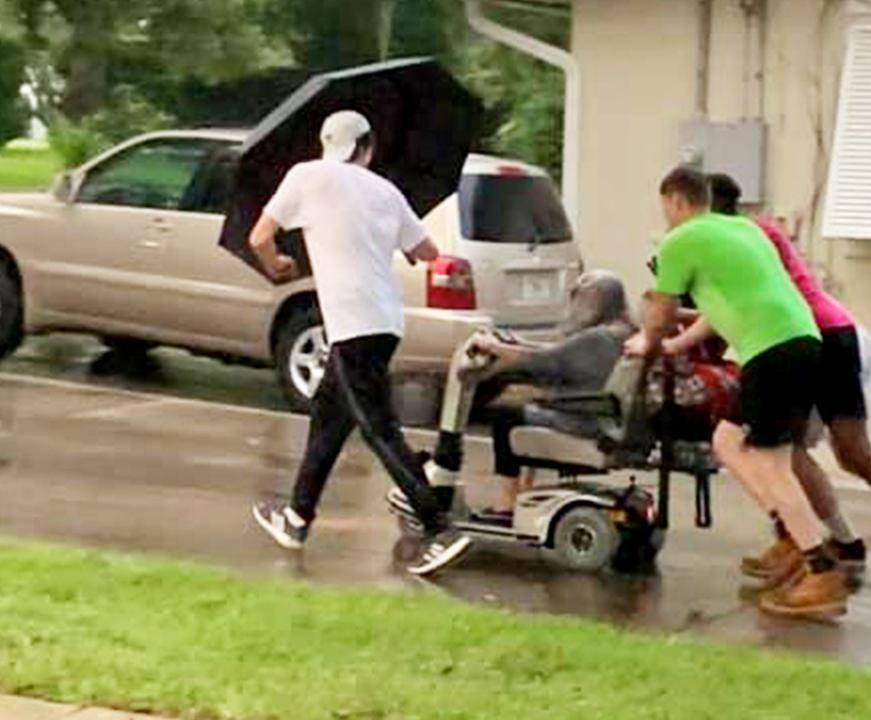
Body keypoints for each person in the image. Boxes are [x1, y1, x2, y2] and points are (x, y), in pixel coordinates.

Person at [685, 173, 871, 606]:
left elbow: (756, 304)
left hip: (814, 338)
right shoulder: (752, 234)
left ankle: (826, 548)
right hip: (826, 334)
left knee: (797, 449)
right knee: (830, 451)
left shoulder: (739, 240)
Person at [248, 110, 471, 577]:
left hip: (352, 323)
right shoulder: (386, 192)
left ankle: (439, 527)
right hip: (384, 322)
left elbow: (260, 237)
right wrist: (398, 242)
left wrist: (277, 265)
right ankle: (297, 518)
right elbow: (428, 252)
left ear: (326, 144)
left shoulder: (306, 176)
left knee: (378, 428)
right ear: (366, 147)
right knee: (328, 424)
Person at [626, 166, 846, 619]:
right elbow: (723, 305)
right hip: (798, 340)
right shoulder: (743, 229)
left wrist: (648, 342)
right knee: (727, 440)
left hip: (772, 350)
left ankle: (820, 569)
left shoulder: (679, 241)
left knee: (771, 463)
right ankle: (792, 534)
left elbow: (660, 312)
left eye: (665, 207)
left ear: (675, 201)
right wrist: (675, 345)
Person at [420, 270, 637, 516]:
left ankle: (506, 502)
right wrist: (514, 344)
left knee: (504, 415)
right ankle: (524, 491)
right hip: (604, 417)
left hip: (581, 420)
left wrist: (494, 347)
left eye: (579, 298)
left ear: (594, 301)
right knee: (523, 403)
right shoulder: (624, 333)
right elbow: (559, 353)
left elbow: (543, 360)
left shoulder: (598, 339)